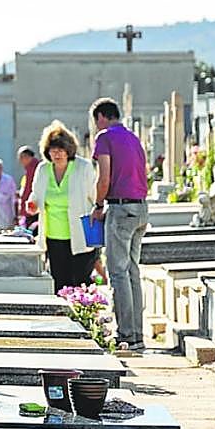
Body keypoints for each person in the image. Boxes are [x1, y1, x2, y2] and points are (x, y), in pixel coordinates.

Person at [91, 98, 149, 351]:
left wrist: (98, 204)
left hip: (120, 207)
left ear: (101, 117)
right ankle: (137, 333)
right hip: (140, 207)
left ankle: (125, 334)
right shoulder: (132, 138)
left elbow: (104, 177)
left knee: (117, 272)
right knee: (133, 271)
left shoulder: (105, 137)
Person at [26, 121, 99, 293]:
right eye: (53, 150)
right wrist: (32, 204)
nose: (57, 153)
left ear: (69, 150)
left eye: (61, 149)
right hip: (54, 237)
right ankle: (64, 319)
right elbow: (36, 195)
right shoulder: (43, 169)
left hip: (80, 237)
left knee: (80, 283)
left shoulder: (83, 168)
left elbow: (95, 197)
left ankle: (83, 318)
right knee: (60, 285)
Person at [15, 145, 41, 228]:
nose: (20, 161)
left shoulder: (33, 167)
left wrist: (24, 209)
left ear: (27, 157)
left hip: (33, 208)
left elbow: (30, 190)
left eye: (21, 158)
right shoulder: (31, 168)